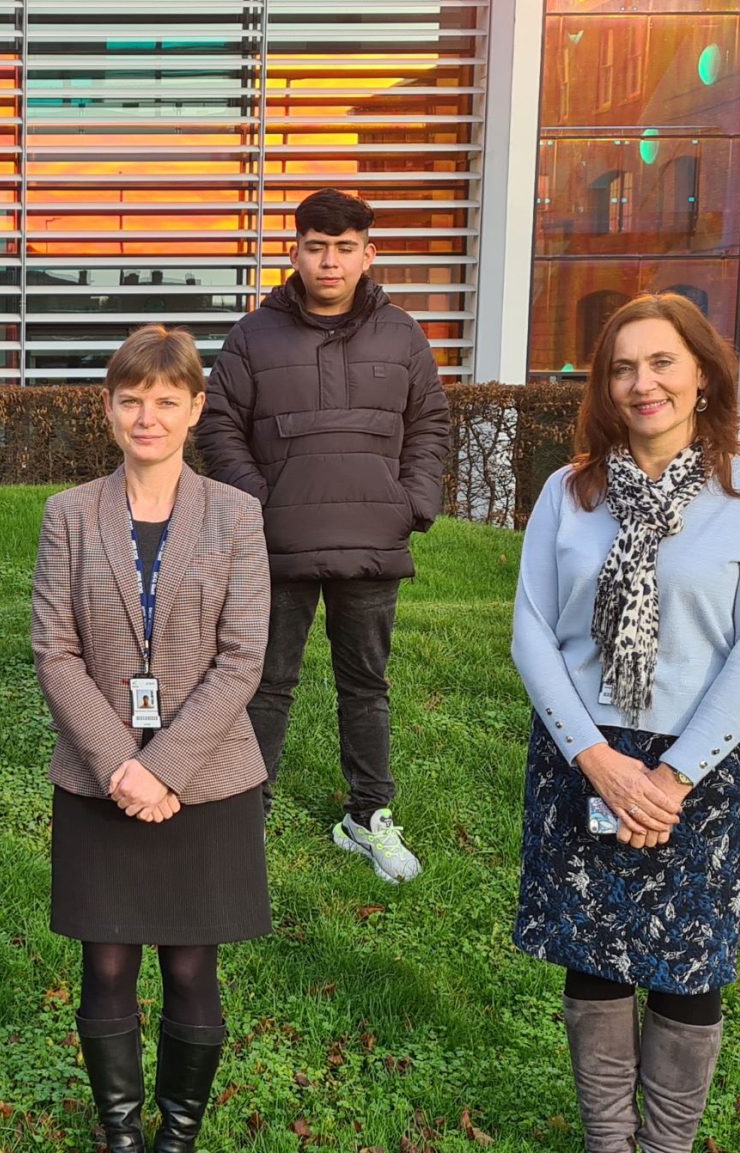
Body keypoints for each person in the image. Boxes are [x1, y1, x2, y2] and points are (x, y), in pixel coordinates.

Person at [509, 294, 740, 1153]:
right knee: (593, 958)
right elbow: (531, 629)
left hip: (702, 772)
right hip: (583, 754)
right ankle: (608, 1142)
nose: (644, 384)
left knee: (687, 968)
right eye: (624, 367)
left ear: (703, 374)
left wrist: (667, 779)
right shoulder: (569, 492)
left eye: (663, 362)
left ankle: (664, 1146)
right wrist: (599, 760)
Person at [34, 327, 271, 1153]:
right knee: (105, 964)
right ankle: (121, 1133)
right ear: (108, 408)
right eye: (132, 398)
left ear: (195, 409)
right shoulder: (68, 515)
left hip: (204, 781)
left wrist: (163, 768)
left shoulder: (238, 516)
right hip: (98, 778)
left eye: (167, 400)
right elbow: (54, 651)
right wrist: (119, 765)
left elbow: (244, 657)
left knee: (190, 966)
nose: (148, 415)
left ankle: (177, 1134)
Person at [193, 188, 449, 883]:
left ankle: (368, 818)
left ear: (368, 254)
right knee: (264, 683)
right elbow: (219, 427)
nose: (328, 261)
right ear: (295, 251)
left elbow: (430, 423)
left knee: (365, 685)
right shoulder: (254, 335)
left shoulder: (402, 334)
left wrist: (412, 502)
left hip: (373, 542)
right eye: (315, 245)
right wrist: (259, 507)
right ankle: (246, 815)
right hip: (277, 546)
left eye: (343, 248)